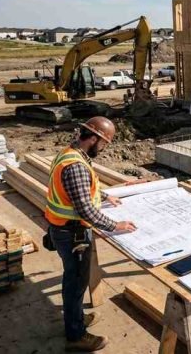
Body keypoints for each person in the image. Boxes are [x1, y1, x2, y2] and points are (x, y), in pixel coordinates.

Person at [45, 117, 137, 352]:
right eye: (104, 144)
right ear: (93, 139)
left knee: (74, 280)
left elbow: (83, 189)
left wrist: (105, 196)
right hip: (72, 233)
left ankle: (74, 318)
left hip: (63, 228)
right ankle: (75, 335)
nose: (103, 149)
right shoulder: (76, 165)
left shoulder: (72, 154)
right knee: (76, 283)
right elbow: (85, 209)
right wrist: (116, 226)